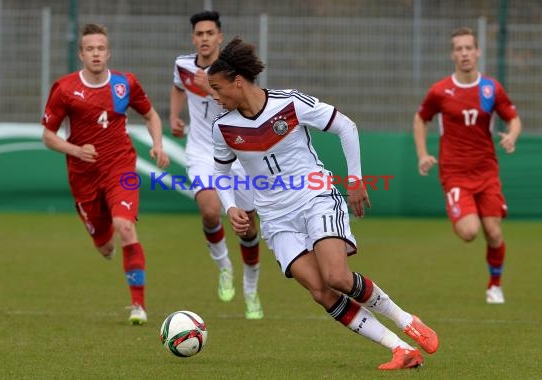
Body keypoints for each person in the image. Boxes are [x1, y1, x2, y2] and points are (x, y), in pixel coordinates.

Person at [209, 37, 439, 370]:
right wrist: (230, 206)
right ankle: (400, 349)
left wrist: (355, 179)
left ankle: (406, 320)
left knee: (337, 277)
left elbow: (346, 126)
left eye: (216, 88)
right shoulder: (223, 128)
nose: (213, 96)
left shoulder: (289, 104)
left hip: (314, 197)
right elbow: (220, 171)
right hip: (275, 218)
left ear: (238, 82)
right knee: (320, 291)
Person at [41, 23, 169, 325]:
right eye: (90, 49)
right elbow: (48, 135)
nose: (96, 54)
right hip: (83, 176)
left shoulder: (125, 84)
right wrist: (76, 150)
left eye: (101, 48)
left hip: (120, 167)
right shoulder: (65, 89)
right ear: (81, 54)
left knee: (124, 226)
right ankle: (103, 242)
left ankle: (138, 306)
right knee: (105, 245)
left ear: (108, 52)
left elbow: (150, 114)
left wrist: (158, 144)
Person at [413, 27, 521, 304]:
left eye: (468, 48)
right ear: (453, 55)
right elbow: (420, 119)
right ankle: (459, 209)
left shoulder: (490, 88)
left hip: (486, 171)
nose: (464, 53)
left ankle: (494, 286)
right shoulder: (440, 91)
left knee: (494, 232)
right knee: (470, 232)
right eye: (459, 49)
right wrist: (423, 153)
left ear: (477, 52)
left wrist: (512, 135)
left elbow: (513, 117)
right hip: (455, 173)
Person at [169, 11, 263, 319]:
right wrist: (174, 117)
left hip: (237, 152)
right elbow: (179, 87)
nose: (205, 38)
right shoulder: (183, 65)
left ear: (220, 37)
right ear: (193, 38)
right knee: (210, 209)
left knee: (248, 227)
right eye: (200, 33)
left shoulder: (231, 70)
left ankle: (251, 290)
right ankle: (224, 266)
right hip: (201, 152)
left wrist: (209, 87)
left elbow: (244, 101)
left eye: (210, 33)